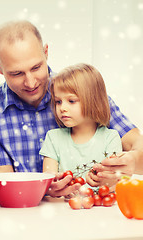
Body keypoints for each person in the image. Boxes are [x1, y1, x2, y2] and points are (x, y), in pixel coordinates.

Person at [0, 20, 143, 197]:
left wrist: (131, 162)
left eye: (36, 67)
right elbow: (2, 184)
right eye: (17, 73)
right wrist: (43, 187)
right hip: (24, 212)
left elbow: (137, 142)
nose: (30, 82)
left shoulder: (82, 91)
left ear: (46, 52)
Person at [40, 63, 122, 191]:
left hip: (100, 208)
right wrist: (54, 184)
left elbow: (115, 182)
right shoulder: (53, 138)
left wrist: (105, 181)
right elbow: (49, 179)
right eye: (58, 101)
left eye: (71, 101)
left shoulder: (110, 138)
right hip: (62, 207)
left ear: (93, 101)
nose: (62, 108)